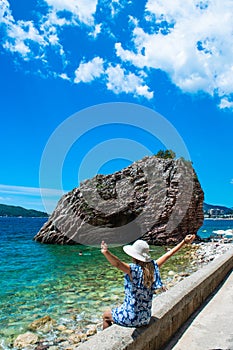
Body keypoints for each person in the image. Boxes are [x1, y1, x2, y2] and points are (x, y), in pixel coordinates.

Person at [101, 234, 195, 329]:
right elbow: (168, 255)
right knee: (120, 309)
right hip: (146, 317)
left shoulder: (133, 270)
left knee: (106, 316)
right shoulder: (153, 267)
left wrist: (106, 252)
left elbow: (117, 263)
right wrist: (184, 242)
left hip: (132, 318)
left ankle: (103, 342)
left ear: (134, 256)